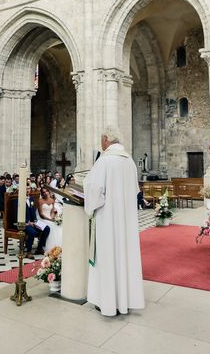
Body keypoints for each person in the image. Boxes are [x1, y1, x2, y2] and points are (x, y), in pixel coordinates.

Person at [84, 126, 145, 317]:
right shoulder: (130, 161)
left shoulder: (104, 161)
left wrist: (90, 206)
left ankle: (108, 303)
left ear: (106, 139)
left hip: (108, 220)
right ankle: (125, 300)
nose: (100, 143)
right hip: (126, 221)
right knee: (124, 258)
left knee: (108, 258)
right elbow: (136, 191)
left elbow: (93, 189)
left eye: (101, 139)